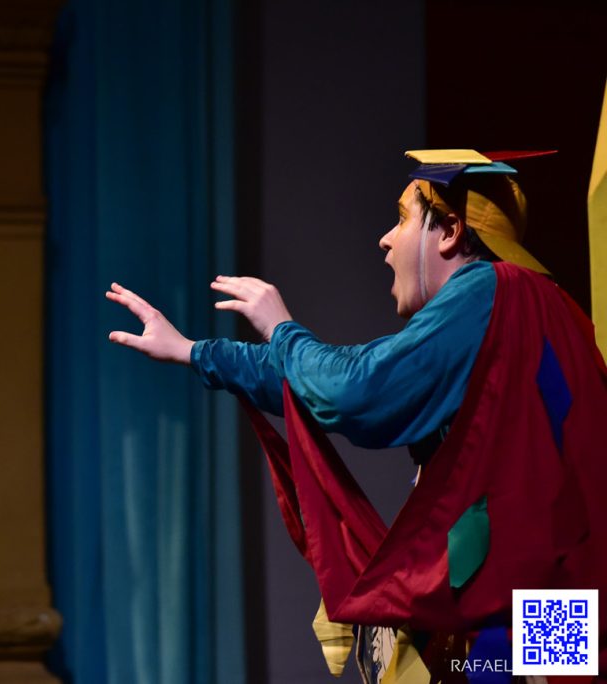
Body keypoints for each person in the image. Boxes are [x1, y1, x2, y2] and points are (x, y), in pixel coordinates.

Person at [107, 152, 606, 683]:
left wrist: (282, 328)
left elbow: (356, 390)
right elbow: (331, 377)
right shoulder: (541, 306)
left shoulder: (489, 289)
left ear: (449, 232)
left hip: (531, 593)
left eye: (403, 218)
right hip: (558, 589)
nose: (386, 240)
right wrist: (195, 352)